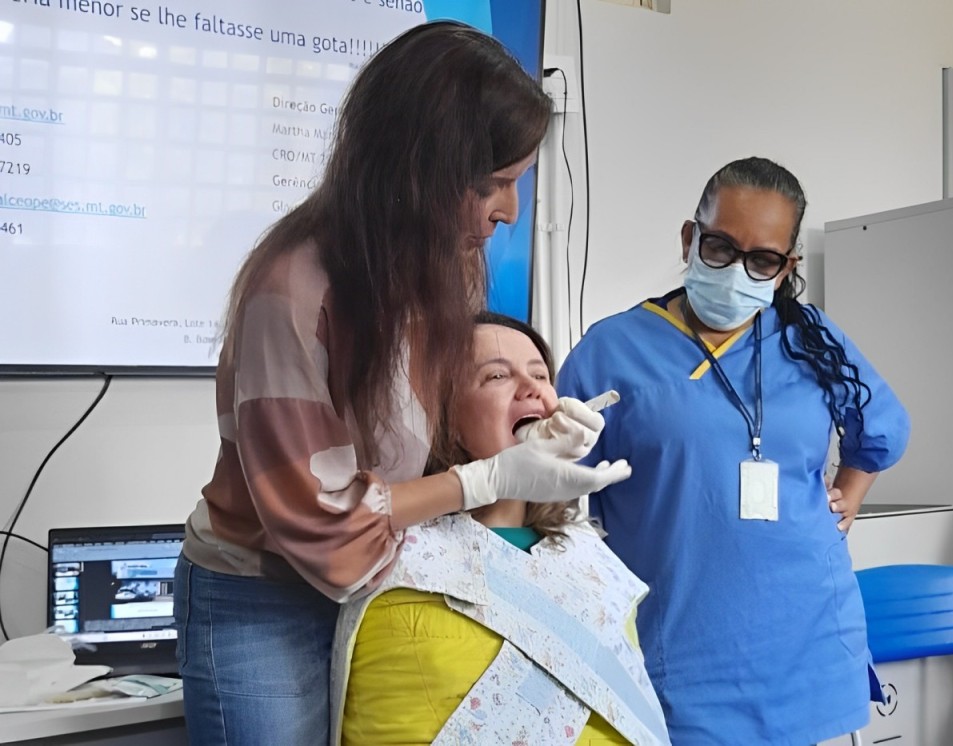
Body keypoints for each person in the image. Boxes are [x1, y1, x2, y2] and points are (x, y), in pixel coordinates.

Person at [172, 22, 631, 746]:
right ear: (417, 171)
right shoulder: (290, 295)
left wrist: (531, 434)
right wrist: (488, 477)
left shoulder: (440, 259)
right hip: (267, 586)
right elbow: (325, 525)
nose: (509, 211)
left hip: (392, 563)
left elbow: (440, 421)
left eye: (518, 182)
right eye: (494, 185)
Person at [557, 156, 911, 745]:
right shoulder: (614, 348)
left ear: (786, 267)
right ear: (690, 238)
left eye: (763, 259)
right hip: (684, 651)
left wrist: (847, 498)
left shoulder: (811, 340)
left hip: (809, 642)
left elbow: (882, 428)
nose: (737, 270)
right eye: (720, 247)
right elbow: (552, 483)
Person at [330, 312, 670, 745]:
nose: (531, 388)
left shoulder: (592, 562)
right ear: (443, 412)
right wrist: (482, 480)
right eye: (495, 376)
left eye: (541, 375)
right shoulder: (392, 547)